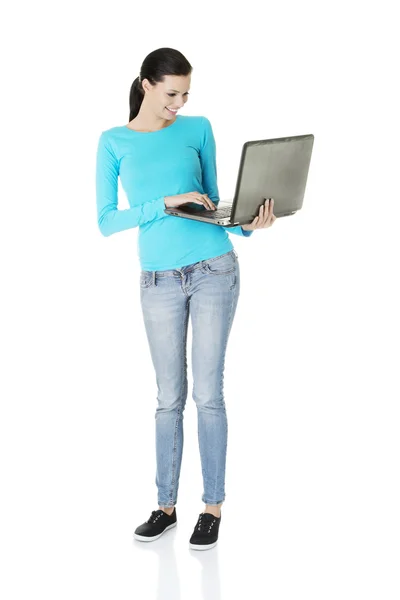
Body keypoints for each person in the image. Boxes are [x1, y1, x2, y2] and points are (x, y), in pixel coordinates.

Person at [95, 47, 276, 551]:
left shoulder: (198, 129)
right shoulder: (114, 142)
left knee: (207, 394)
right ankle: (164, 507)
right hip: (158, 279)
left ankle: (212, 508)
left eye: (186, 94)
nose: (180, 103)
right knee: (168, 398)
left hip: (214, 267)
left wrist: (248, 222)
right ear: (146, 85)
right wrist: (164, 203)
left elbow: (215, 203)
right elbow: (107, 220)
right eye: (171, 93)